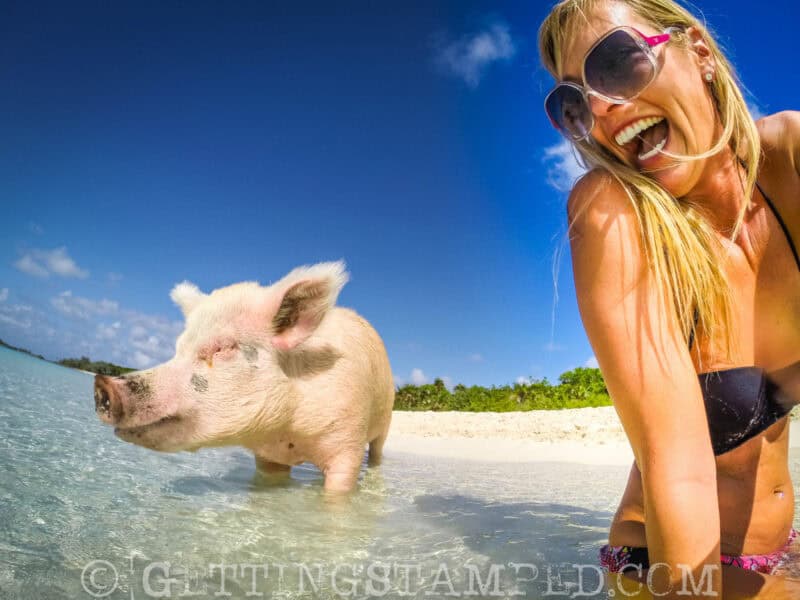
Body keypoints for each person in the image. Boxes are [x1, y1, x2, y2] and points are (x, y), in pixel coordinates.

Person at [538, 0, 800, 597]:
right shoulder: (611, 214)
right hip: (669, 561)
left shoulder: (792, 161)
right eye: (573, 103)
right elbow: (678, 469)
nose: (602, 109)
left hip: (780, 553)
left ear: (699, 53)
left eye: (618, 61)